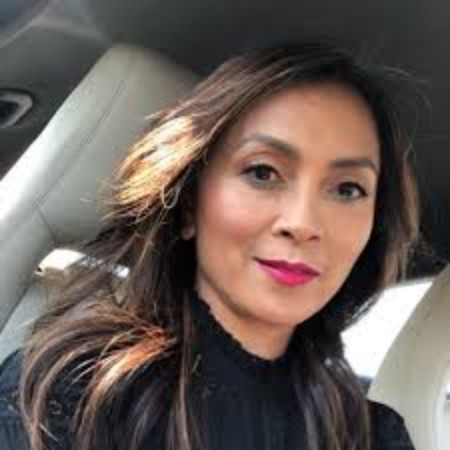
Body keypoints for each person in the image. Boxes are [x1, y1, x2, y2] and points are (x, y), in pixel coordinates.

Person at [0, 40, 418, 450]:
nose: (303, 223)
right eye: (262, 172)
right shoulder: (69, 395)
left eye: (347, 189)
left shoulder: (375, 435)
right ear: (187, 205)